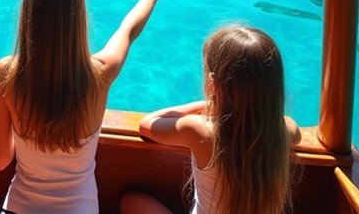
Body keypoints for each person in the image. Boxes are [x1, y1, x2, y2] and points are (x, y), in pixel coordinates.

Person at [0, 0, 176, 214]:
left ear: (29, 14)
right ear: (78, 17)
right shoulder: (100, 74)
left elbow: (0, 161)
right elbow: (128, 30)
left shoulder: (7, 73)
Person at [121, 24, 302, 214]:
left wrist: (208, 104)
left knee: (131, 201)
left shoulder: (201, 131)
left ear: (212, 84)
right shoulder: (283, 131)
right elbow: (294, 133)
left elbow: (148, 124)